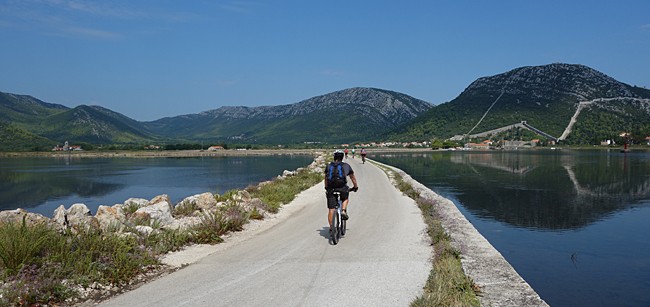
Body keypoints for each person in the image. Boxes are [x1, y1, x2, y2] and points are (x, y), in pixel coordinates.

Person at [325, 150, 358, 232]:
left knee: (331, 209)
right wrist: (355, 186)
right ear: (342, 157)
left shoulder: (329, 166)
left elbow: (326, 178)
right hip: (342, 188)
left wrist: (326, 187)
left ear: (334, 157)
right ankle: (343, 210)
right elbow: (352, 177)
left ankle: (331, 227)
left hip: (331, 189)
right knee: (345, 198)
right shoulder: (346, 166)